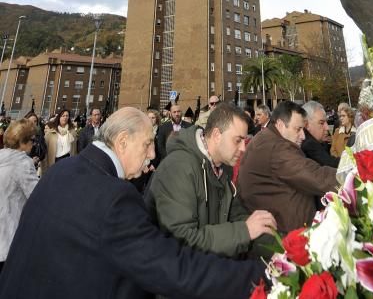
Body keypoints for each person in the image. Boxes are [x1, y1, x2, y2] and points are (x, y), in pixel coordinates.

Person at [0, 107, 265, 299]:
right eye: (148, 144)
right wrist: (261, 277)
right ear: (123, 141)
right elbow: (172, 268)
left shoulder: (62, 170)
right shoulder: (115, 197)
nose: (152, 154)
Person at [146, 103, 276, 258]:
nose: (243, 148)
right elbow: (182, 241)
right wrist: (244, 231)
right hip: (178, 273)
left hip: (210, 265)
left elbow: (236, 215)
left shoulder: (222, 165)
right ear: (216, 135)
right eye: (237, 140)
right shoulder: (177, 168)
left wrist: (281, 247)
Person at [238, 101, 337, 233]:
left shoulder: (268, 139)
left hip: (276, 229)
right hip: (283, 236)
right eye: (298, 129)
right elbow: (317, 177)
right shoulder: (277, 147)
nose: (303, 136)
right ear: (280, 124)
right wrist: (356, 177)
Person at [0, 119, 38, 274]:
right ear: (22, 142)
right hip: (9, 236)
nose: (34, 144)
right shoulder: (23, 163)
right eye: (32, 140)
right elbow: (36, 196)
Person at [301, 101, 339, 168]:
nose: (327, 127)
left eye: (326, 122)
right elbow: (332, 164)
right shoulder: (309, 144)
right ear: (306, 125)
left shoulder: (310, 141)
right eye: (321, 123)